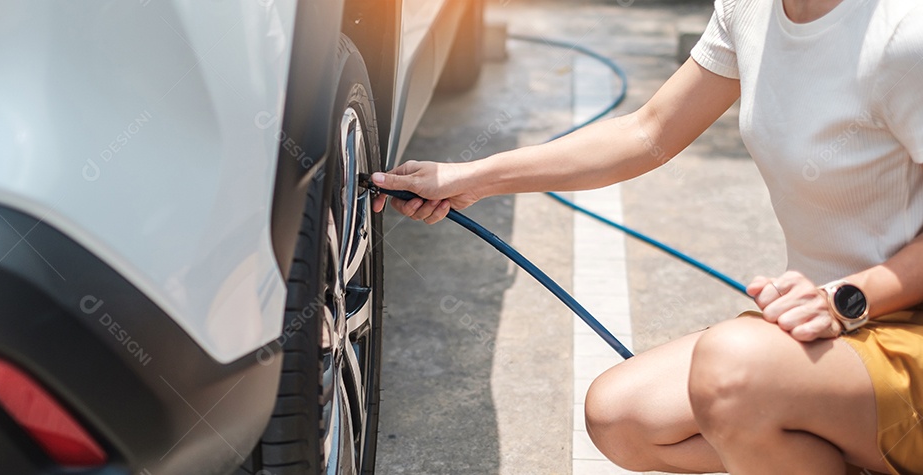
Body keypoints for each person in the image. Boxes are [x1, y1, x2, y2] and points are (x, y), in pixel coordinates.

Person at [370, 0, 923, 472]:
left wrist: (846, 300)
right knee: (622, 416)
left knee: (730, 371)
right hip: (830, 325)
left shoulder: (902, 35)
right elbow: (648, 132)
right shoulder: (751, 10)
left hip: (891, 327)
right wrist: (472, 178)